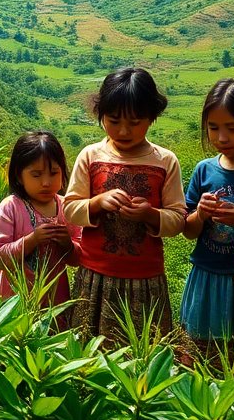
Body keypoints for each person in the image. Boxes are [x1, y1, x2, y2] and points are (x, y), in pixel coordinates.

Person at [63, 67, 186, 341]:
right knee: (89, 351)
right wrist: (97, 202)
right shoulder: (91, 156)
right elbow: (70, 208)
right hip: (96, 274)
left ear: (152, 117)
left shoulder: (164, 161)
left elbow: (178, 218)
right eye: (114, 120)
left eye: (134, 122)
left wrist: (150, 214)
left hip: (145, 279)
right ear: (100, 114)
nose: (123, 130)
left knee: (142, 353)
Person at [180, 79, 234, 354]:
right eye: (213, 128)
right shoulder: (204, 170)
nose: (222, 138)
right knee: (201, 354)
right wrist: (201, 214)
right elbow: (189, 230)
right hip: (206, 276)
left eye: (233, 129)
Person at [0, 131, 80, 311]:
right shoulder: (11, 208)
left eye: (54, 173)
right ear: (19, 176)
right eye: (36, 175)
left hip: (55, 303)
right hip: (13, 303)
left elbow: (78, 258)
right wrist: (31, 240)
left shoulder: (67, 208)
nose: (46, 182)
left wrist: (68, 245)